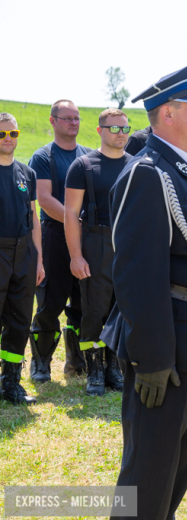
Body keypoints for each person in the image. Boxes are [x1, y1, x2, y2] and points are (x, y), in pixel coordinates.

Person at [105, 62, 187, 520]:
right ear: (168, 112)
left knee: (176, 469)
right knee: (147, 475)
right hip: (168, 350)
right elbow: (138, 275)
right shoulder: (148, 173)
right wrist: (152, 357)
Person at [63, 109, 131, 396]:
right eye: (114, 129)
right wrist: (76, 256)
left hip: (128, 243)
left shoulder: (137, 165)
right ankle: (95, 372)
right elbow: (70, 214)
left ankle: (114, 369)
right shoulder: (83, 166)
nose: (121, 134)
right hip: (96, 241)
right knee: (94, 309)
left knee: (122, 309)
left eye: (125, 128)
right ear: (100, 130)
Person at [28, 100, 90, 382]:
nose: (73, 123)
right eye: (67, 118)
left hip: (86, 239)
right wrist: (75, 221)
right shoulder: (43, 157)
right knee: (50, 303)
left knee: (82, 302)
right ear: (53, 121)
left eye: (76, 118)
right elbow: (44, 199)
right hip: (54, 236)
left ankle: (76, 361)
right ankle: (41, 363)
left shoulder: (88, 157)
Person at [0, 113, 44, 405]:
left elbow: (35, 218)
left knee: (19, 321)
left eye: (12, 134)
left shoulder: (26, 173)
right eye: (2, 134)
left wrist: (38, 260)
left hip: (24, 253)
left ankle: (11, 383)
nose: (7, 139)